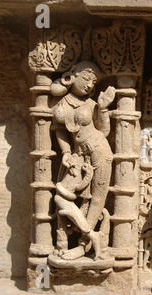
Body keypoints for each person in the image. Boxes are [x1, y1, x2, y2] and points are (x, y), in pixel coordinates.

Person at [51, 61, 115, 259]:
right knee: (60, 198)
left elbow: (104, 131)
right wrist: (66, 152)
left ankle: (82, 246)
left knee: (96, 199)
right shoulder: (61, 103)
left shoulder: (92, 104)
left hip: (99, 151)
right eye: (86, 78)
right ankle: (91, 234)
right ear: (73, 75)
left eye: (93, 82)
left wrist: (103, 108)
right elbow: (60, 130)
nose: (89, 85)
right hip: (78, 155)